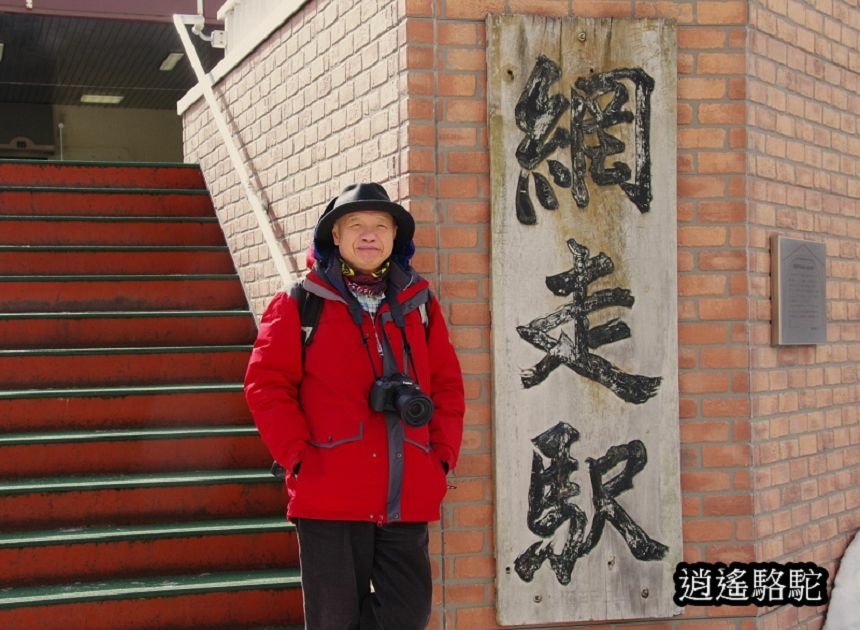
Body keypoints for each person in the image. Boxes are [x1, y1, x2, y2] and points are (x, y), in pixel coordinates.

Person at [244, 182, 465, 630]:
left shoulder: (418, 303)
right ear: (335, 238)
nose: (370, 236)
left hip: (406, 491)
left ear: (394, 239)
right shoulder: (301, 302)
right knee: (333, 621)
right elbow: (266, 384)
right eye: (356, 226)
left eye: (380, 227)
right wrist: (298, 457)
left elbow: (447, 388)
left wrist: (440, 459)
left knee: (407, 615)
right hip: (329, 493)